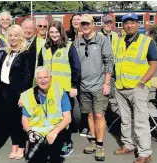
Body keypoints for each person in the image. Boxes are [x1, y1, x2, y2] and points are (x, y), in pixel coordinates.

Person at [113, 13, 157, 163]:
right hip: (120, 87)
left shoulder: (146, 42)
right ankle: (128, 145)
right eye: (126, 23)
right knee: (125, 120)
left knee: (140, 121)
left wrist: (142, 82)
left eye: (132, 22)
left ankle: (145, 153)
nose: (129, 25)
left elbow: (154, 65)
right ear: (123, 25)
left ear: (137, 24)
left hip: (137, 88)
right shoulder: (119, 42)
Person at [38, 21, 81, 157]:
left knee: (64, 119)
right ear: (48, 34)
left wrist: (74, 86)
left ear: (61, 33)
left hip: (64, 91)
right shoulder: (44, 48)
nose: (54, 35)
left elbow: (76, 68)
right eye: (51, 32)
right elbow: (39, 69)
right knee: (51, 118)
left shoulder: (69, 47)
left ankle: (66, 143)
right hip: (48, 90)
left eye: (56, 32)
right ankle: (54, 142)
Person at [74, 14, 113, 161]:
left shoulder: (102, 40)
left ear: (93, 24)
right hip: (84, 86)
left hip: (99, 85)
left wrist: (107, 83)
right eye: (82, 24)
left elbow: (109, 62)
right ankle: (93, 141)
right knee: (89, 115)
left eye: (87, 23)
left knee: (99, 115)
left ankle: (100, 146)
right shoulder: (77, 42)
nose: (85, 26)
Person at [0, 24, 35, 160]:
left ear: (20, 37)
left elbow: (28, 76)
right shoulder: (6, 53)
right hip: (6, 92)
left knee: (20, 121)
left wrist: (24, 95)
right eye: (10, 35)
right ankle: (14, 145)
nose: (13, 38)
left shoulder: (25, 54)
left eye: (15, 35)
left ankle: (21, 146)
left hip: (19, 93)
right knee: (10, 120)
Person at [21, 66, 71, 163]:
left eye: (45, 77)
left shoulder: (59, 91)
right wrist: (29, 132)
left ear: (50, 78)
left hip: (55, 131)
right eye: (40, 78)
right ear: (36, 80)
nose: (43, 80)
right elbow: (24, 118)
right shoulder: (28, 95)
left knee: (54, 159)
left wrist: (54, 132)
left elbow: (67, 118)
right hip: (36, 134)